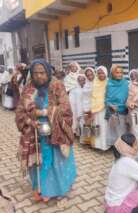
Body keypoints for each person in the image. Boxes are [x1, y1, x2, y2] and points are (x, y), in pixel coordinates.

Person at [15, 59, 77, 202]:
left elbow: (66, 108)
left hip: (56, 131)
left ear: (48, 72)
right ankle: (43, 190)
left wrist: (44, 113)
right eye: (35, 73)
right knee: (40, 161)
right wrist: (30, 120)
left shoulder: (56, 85)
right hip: (35, 131)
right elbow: (19, 111)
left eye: (42, 73)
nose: (39, 76)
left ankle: (61, 188)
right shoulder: (28, 88)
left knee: (58, 161)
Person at [105, 64, 129, 147]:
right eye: (117, 72)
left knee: (122, 132)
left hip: (123, 111)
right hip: (113, 111)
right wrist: (110, 105)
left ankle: (122, 148)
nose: (119, 74)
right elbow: (106, 98)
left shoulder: (126, 83)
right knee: (113, 131)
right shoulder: (109, 84)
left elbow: (129, 96)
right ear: (112, 73)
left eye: (121, 72)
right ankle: (116, 148)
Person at [91, 66, 109, 150]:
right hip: (95, 109)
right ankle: (97, 145)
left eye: (102, 73)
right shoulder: (94, 82)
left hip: (105, 108)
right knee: (97, 126)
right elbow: (92, 96)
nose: (101, 74)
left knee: (105, 127)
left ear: (106, 73)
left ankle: (105, 145)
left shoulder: (109, 82)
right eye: (99, 73)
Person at [80, 67, 95, 145]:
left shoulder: (97, 83)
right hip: (86, 106)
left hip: (94, 107)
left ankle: (93, 142)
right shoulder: (86, 84)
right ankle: (87, 141)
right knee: (86, 124)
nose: (90, 77)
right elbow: (83, 97)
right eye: (88, 75)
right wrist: (84, 108)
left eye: (91, 74)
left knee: (94, 125)